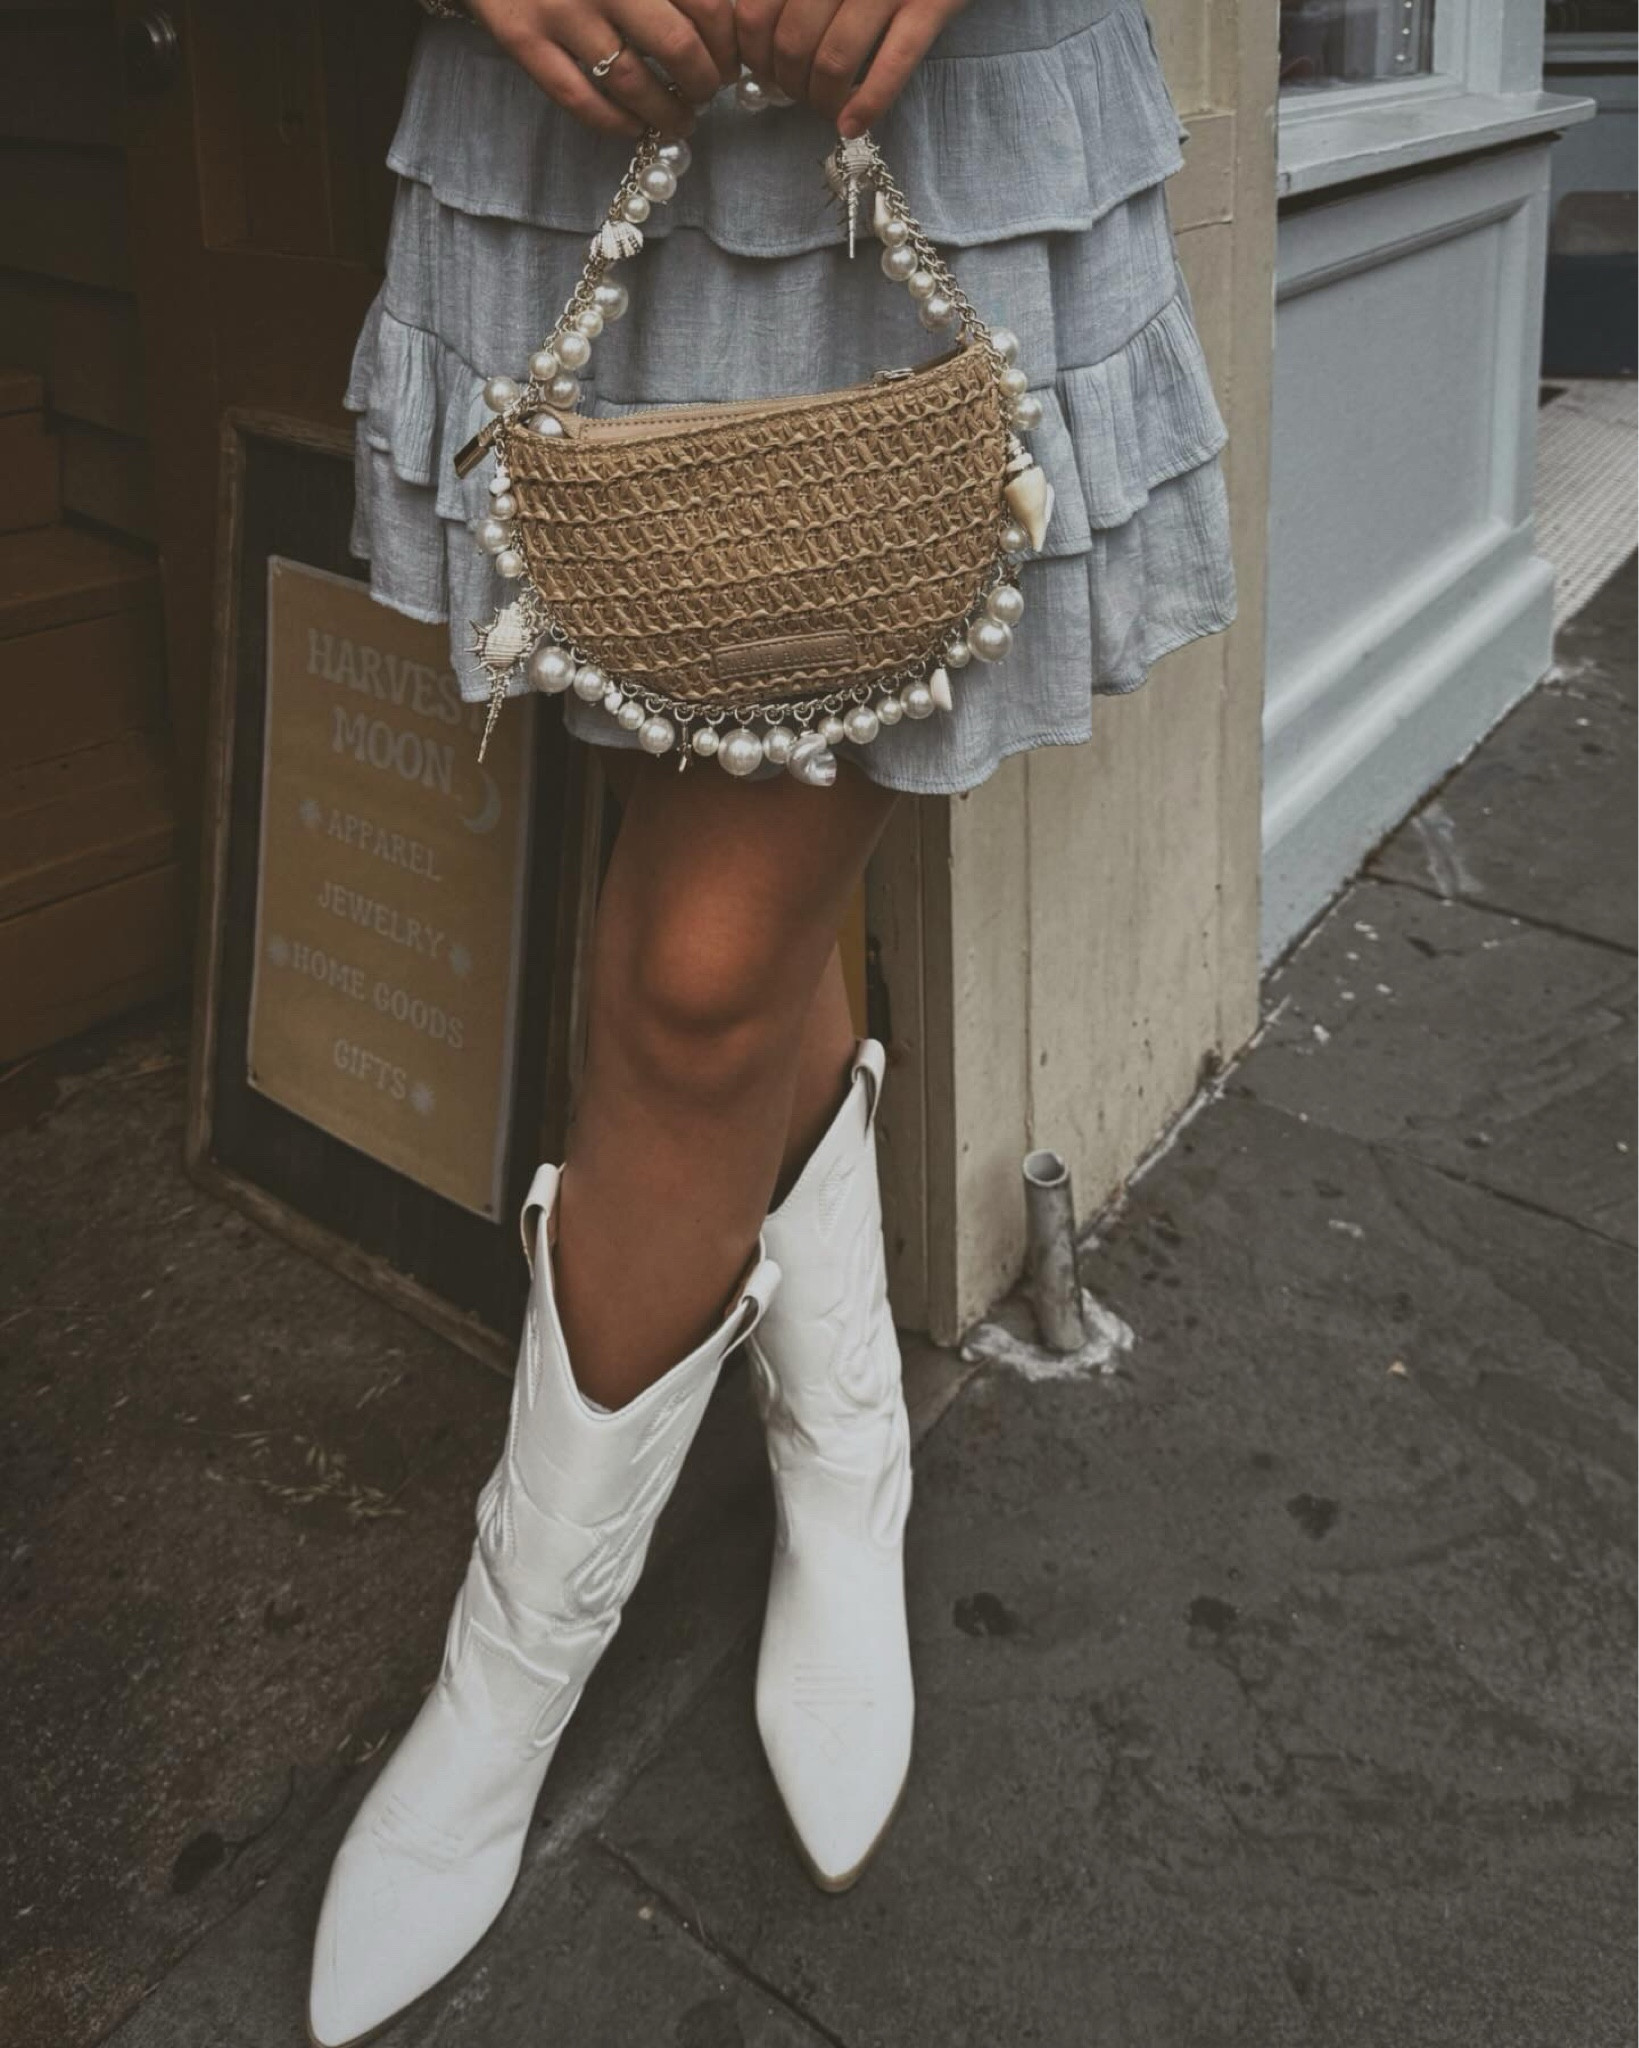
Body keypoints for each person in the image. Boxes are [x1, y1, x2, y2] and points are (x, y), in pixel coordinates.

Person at [309, 2, 1237, 2039]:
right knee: (712, 752)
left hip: (928, 106)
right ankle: (845, 1440)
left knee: (695, 969)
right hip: (577, 108)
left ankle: (513, 1666)